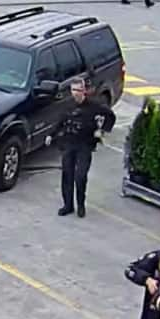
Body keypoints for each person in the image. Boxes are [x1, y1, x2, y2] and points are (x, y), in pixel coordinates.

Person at [50, 78, 115, 219]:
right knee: (67, 175)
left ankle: (80, 205)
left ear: (84, 91)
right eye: (73, 90)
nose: (76, 93)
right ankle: (68, 205)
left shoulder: (94, 106)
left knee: (80, 177)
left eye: (79, 90)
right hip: (69, 144)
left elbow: (110, 116)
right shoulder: (68, 106)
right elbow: (60, 122)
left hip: (84, 146)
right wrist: (51, 135)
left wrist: (102, 130)